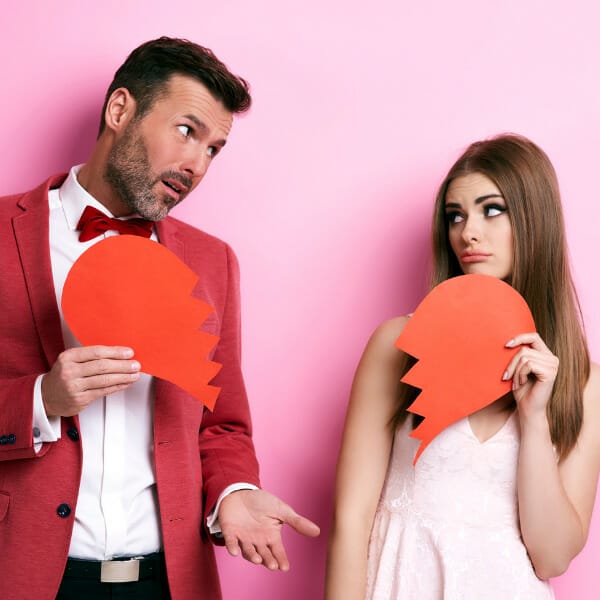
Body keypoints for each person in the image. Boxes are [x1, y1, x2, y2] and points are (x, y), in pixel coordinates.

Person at [0, 37, 319, 600]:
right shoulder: (4, 234)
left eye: (214, 149)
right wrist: (41, 400)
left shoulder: (212, 261)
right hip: (24, 574)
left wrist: (234, 492)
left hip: (169, 582)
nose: (196, 164)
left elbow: (222, 421)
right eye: (186, 131)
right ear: (120, 110)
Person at [325, 133, 600, 599]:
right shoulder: (398, 343)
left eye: (492, 209)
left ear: (536, 220)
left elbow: (552, 557)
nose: (467, 232)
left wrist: (533, 420)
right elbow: (351, 524)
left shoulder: (580, 379)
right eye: (456, 215)